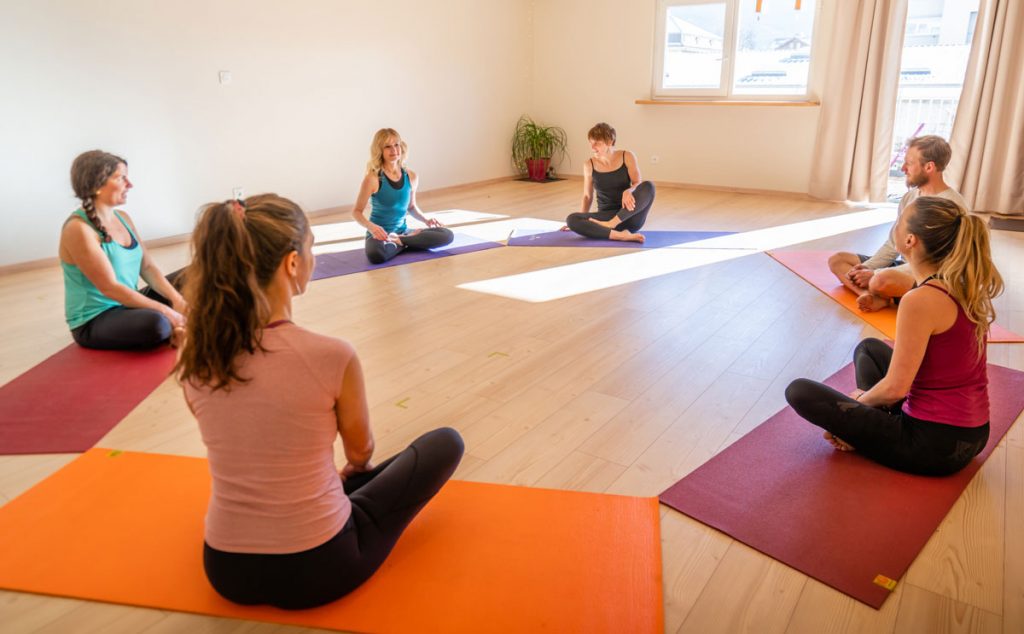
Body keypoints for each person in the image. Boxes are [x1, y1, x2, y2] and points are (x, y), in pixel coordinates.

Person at [176, 194, 464, 609]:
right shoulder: (331, 355)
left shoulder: (198, 358)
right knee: (445, 443)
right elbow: (360, 453)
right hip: (320, 567)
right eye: (310, 247)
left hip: (226, 569)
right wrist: (350, 477)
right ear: (292, 264)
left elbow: (239, 432)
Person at [786, 196, 1003, 476]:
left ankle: (863, 431)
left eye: (899, 221)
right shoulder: (960, 283)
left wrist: (855, 408)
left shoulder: (919, 300)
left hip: (934, 445)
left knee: (799, 391)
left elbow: (896, 388)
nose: (895, 225)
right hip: (974, 435)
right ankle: (871, 424)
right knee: (869, 349)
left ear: (910, 240)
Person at [59, 150, 186, 350]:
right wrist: (169, 312)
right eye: (121, 178)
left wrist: (177, 301)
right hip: (97, 318)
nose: (130, 184)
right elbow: (110, 288)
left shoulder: (123, 218)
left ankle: (179, 323)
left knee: (193, 274)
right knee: (156, 325)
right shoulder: (78, 229)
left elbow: (148, 267)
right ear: (97, 184)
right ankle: (174, 325)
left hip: (129, 303)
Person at [827, 135, 968, 312]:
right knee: (838, 260)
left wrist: (875, 274)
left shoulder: (951, 206)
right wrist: (868, 267)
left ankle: (884, 294)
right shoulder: (910, 197)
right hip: (903, 266)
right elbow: (895, 242)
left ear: (929, 167)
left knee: (881, 280)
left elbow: (939, 263)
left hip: (930, 274)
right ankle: (870, 294)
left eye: (909, 163)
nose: (903, 168)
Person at [352, 128, 454, 264]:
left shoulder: (411, 176)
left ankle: (401, 241)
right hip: (379, 236)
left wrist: (426, 220)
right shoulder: (373, 179)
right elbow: (357, 212)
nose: (394, 150)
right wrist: (372, 227)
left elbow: (411, 206)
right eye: (387, 147)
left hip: (403, 232)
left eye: (396, 145)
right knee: (376, 255)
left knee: (447, 235)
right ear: (379, 151)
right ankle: (409, 242)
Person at [563, 123, 655, 243]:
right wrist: (581, 219)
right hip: (605, 217)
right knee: (571, 219)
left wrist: (629, 190)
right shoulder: (589, 165)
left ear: (610, 142)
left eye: (597, 143)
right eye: (591, 143)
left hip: (629, 215)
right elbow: (587, 196)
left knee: (649, 186)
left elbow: (638, 183)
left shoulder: (627, 156)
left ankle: (611, 225)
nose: (593, 147)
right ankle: (620, 235)